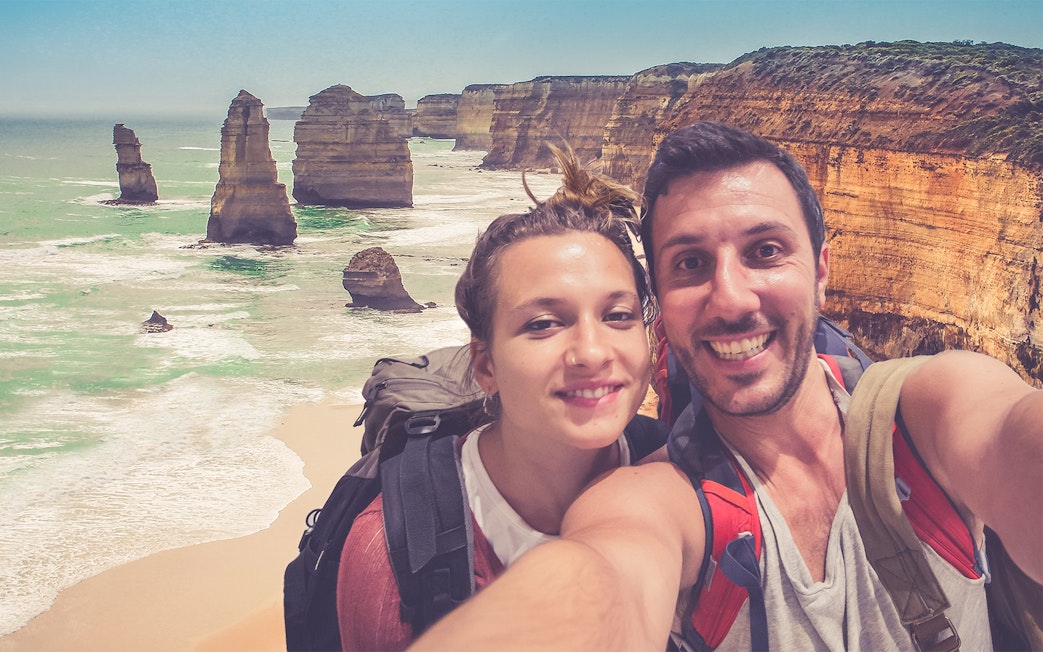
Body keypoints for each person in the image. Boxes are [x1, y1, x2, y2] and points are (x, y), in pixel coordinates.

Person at [409, 122, 1043, 650]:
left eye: (765, 251)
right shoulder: (652, 500)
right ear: (662, 303)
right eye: (690, 264)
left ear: (822, 269)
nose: (731, 298)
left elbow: (1012, 435)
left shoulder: (934, 409)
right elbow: (600, 580)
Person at [335, 144, 665, 650]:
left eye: (617, 314)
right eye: (543, 323)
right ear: (486, 365)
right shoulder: (393, 552)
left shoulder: (684, 477)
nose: (592, 352)